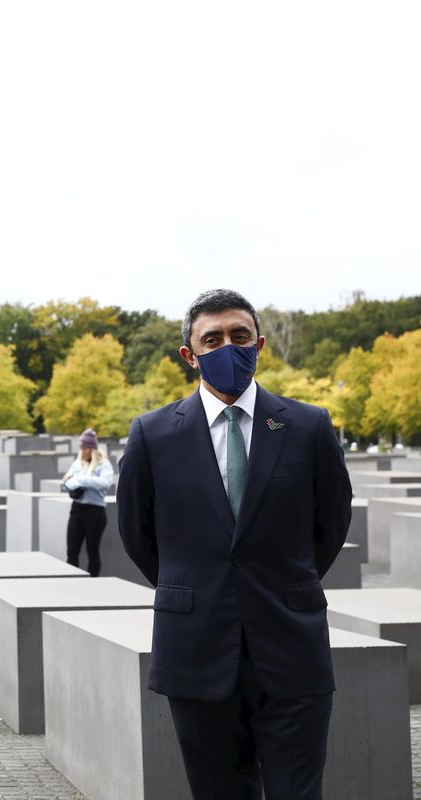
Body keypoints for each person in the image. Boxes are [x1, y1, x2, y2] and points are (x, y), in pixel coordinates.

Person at [117, 288, 351, 800]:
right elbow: (138, 534)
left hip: (291, 646)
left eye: (239, 335)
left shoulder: (308, 426)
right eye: (213, 338)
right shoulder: (153, 435)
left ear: (260, 343)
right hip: (197, 649)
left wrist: (286, 581)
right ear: (190, 354)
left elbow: (330, 524)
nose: (228, 346)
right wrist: (199, 587)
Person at [60, 428, 113, 577]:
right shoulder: (78, 463)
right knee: (71, 551)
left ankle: (93, 584)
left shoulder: (104, 464)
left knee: (92, 551)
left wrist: (81, 480)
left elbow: (105, 483)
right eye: (81, 448)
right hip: (77, 509)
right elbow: (66, 482)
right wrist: (70, 482)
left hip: (95, 512)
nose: (83, 451)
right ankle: (72, 583)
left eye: (85, 448)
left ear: (93, 449)